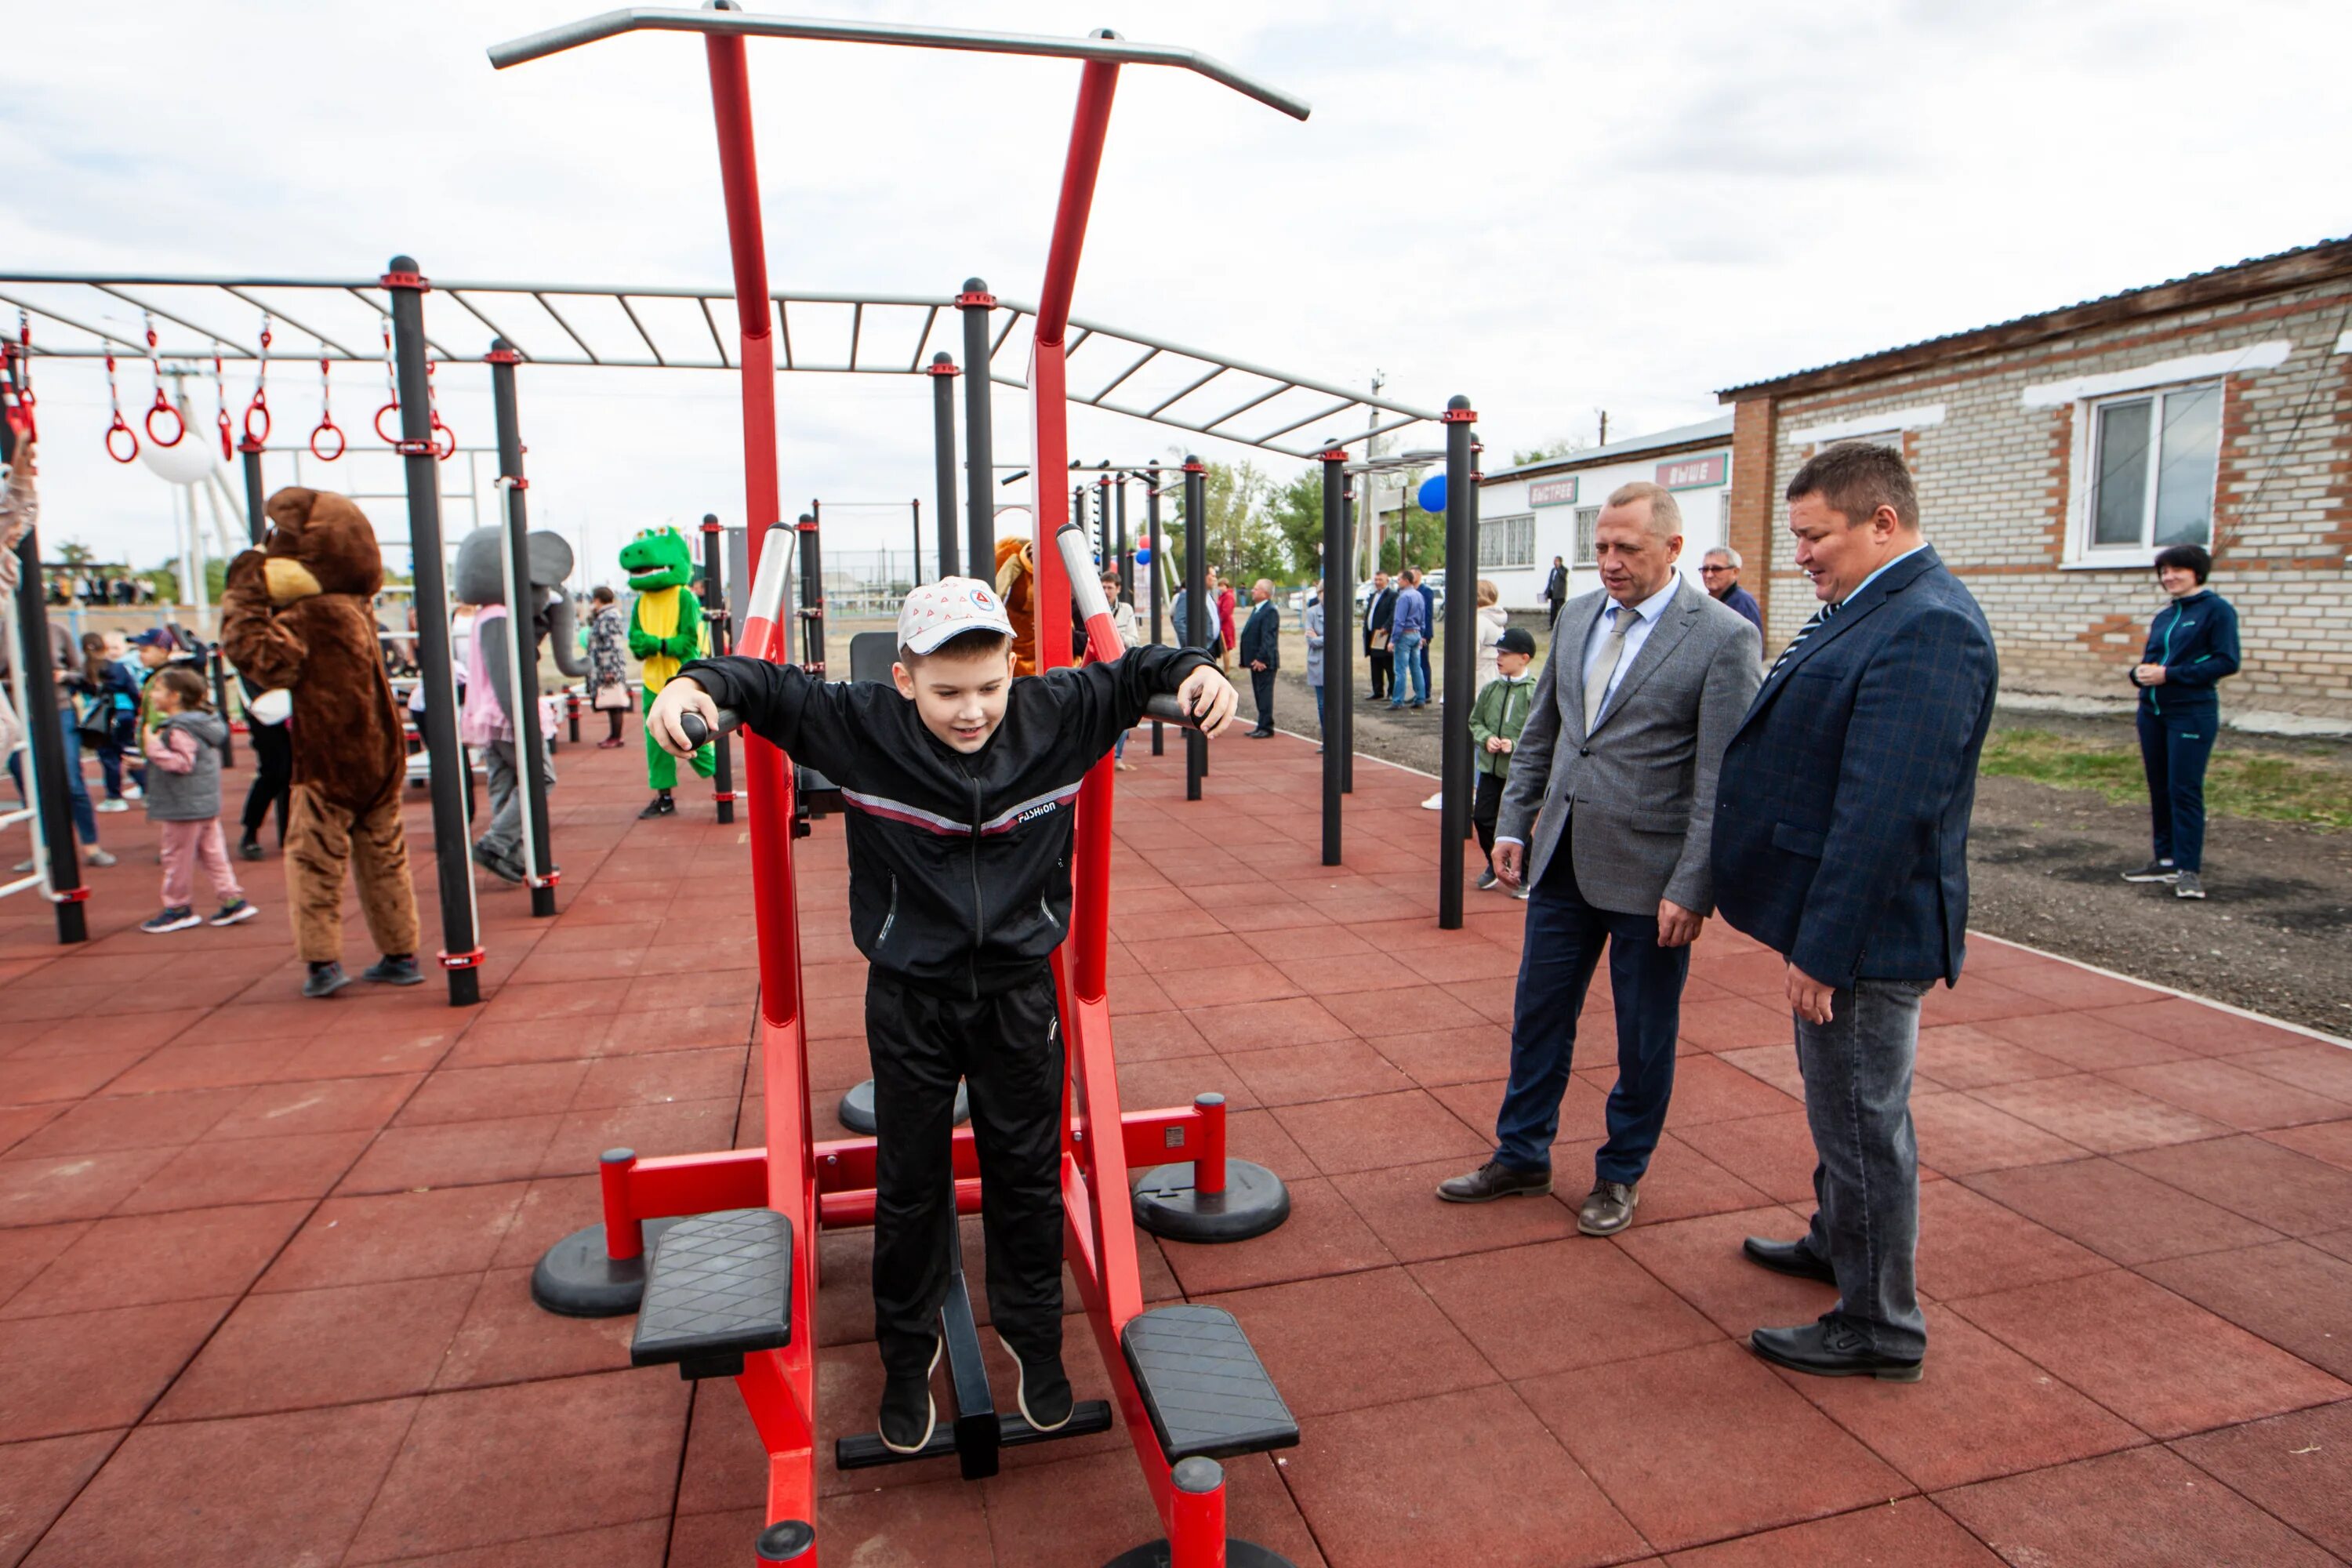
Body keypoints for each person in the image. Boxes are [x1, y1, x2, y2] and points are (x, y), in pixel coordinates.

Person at [647, 575, 1236, 1455]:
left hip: (1019, 996)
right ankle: (905, 1353)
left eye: (990, 687)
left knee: (1027, 1174)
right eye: (948, 691)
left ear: (1015, 669)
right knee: (910, 1182)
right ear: (904, 679)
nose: (972, 712)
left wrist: (1198, 669)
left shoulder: (1055, 715)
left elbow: (1134, 668)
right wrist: (693, 684)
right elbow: (765, 685)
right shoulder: (863, 729)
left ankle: (1033, 1339)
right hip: (910, 1000)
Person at [1711, 442, 1997, 1383]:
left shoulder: (1928, 625)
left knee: (1863, 1124)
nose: (1798, 554)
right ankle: (1839, 1239)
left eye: (1813, 535)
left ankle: (1879, 1323)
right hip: (1837, 920)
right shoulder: (1876, 603)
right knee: (1841, 1108)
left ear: (1882, 522)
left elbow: (1886, 810)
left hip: (1867, 936)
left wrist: (1825, 949)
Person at [1440, 481, 1762, 1237]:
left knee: (1643, 1037)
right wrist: (1514, 823)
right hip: (1562, 859)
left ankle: (1621, 1173)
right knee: (1538, 1016)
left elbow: (1724, 779)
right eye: (1601, 548)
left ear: (1673, 548)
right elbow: (1545, 734)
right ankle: (1522, 1155)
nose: (1610, 562)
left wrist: (1695, 885)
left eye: (1627, 548)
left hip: (1653, 879)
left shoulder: (1723, 637)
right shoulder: (1579, 614)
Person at [220, 488, 425, 998]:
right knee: (385, 856)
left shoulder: (307, 617)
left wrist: (245, 590)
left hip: (329, 759)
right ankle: (401, 952)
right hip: (381, 755)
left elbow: (260, 657)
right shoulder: (360, 608)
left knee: (314, 859)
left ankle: (322, 962)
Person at [2125, 543, 2238, 900]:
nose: (2169, 577)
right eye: (2164, 572)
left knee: (2183, 789)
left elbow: (2226, 660)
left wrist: (2170, 675)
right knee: (2159, 786)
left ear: (2197, 573)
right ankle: (2165, 859)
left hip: (2191, 712)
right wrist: (2138, 674)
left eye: (2177, 570)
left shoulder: (2217, 611)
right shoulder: (2165, 616)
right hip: (2152, 712)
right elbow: (2152, 661)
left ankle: (2188, 870)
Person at [135, 666, 256, 934]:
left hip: (184, 806)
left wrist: (153, 748)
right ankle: (232, 898)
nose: (152, 695)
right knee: (213, 854)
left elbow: (182, 763)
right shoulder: (202, 724)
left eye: (158, 690)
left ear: (175, 697)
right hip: (204, 803)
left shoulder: (178, 729)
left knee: (176, 856)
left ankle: (178, 907)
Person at [1468, 625, 1538, 895]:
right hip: (1490, 768)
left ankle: (1525, 875)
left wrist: (1515, 744)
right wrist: (1486, 738)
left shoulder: (1534, 692)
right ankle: (1494, 864)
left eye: (1505, 654)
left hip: (1518, 773)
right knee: (1483, 818)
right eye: (1498, 652)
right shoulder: (1491, 690)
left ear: (1524, 658)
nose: (1499, 658)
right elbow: (1475, 721)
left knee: (1518, 823)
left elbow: (1542, 734)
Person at [72, 630, 139, 811]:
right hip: (124, 713)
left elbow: (76, 692)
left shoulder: (83, 672)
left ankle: (115, 797)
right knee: (129, 751)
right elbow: (133, 690)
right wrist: (136, 710)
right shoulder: (118, 668)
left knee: (109, 757)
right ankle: (146, 790)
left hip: (102, 718)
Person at [1103, 572, 1142, 771]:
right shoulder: (1094, 608)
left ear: (1118, 589)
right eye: (1103, 587)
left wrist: (1114, 633)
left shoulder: (1126, 610)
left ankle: (1117, 757)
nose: (1106, 591)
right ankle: (1103, 758)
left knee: (1124, 712)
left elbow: (1134, 640)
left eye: (1110, 587)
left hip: (1120, 666)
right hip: (1100, 667)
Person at [586, 584, 631, 749]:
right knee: (611, 701)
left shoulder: (609, 617)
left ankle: (616, 736)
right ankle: (614, 735)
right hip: (606, 665)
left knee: (614, 702)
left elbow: (611, 645)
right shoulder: (605, 616)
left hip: (609, 666)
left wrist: (610, 670)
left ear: (598, 600)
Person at [1240, 577, 1280, 738]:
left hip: (1264, 662)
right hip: (1255, 661)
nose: (1252, 591)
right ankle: (1261, 724)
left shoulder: (1270, 611)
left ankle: (1266, 727)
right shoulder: (1258, 609)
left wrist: (1261, 659)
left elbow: (1268, 638)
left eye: (1256, 589)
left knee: (1264, 695)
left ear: (1265, 593)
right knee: (1259, 694)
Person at [1387, 566, 1430, 709]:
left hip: (1405, 635)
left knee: (1400, 670)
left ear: (1406, 580)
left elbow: (1399, 621)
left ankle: (1397, 700)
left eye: (1399, 579)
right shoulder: (1419, 595)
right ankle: (1421, 698)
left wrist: (1393, 640)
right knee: (1416, 668)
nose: (1398, 582)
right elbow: (1423, 619)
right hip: (1416, 634)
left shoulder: (1403, 597)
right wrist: (1421, 635)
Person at [1701, 546, 1764, 637]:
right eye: (1705, 569)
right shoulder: (1705, 602)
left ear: (1735, 572)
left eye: (1717, 569)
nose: (1709, 575)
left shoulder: (1743, 603)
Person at [1364, 570, 1398, 702]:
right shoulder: (1373, 595)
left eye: (1380, 580)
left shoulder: (1392, 596)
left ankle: (1392, 692)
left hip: (1384, 634)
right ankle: (1377, 691)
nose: (1377, 582)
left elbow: (1393, 614)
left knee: (1388, 663)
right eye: (1376, 580)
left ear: (1387, 581)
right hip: (1372, 634)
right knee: (1375, 663)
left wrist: (1386, 627)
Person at [1473, 579, 1508, 690]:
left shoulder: (1480, 620)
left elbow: (1471, 653)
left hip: (1479, 677)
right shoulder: (1495, 619)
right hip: (1493, 674)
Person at [1304, 580, 1326, 750]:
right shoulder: (1312, 612)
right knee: (1321, 704)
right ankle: (1326, 739)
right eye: (1322, 592)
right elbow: (1310, 640)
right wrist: (1321, 638)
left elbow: (1338, 636)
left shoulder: (1339, 610)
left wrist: (1319, 637)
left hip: (1333, 665)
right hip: (1317, 663)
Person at [1212, 568, 1239, 675]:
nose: (1220, 588)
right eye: (1219, 586)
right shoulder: (1223, 596)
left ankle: (1227, 671)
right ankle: (1226, 670)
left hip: (1226, 625)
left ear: (1226, 586)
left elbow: (1226, 612)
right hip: (1223, 625)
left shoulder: (1228, 597)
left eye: (1222, 586)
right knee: (1224, 649)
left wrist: (1218, 620)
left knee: (1226, 649)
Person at [1544, 555, 1568, 626]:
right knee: (1553, 611)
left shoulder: (1564, 569)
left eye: (1557, 561)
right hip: (1553, 594)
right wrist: (1547, 591)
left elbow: (1563, 576)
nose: (1555, 562)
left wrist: (1558, 568)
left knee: (1560, 611)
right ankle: (1552, 625)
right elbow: (1550, 581)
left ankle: (1561, 625)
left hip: (1560, 594)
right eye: (1554, 561)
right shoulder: (1553, 570)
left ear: (1560, 562)